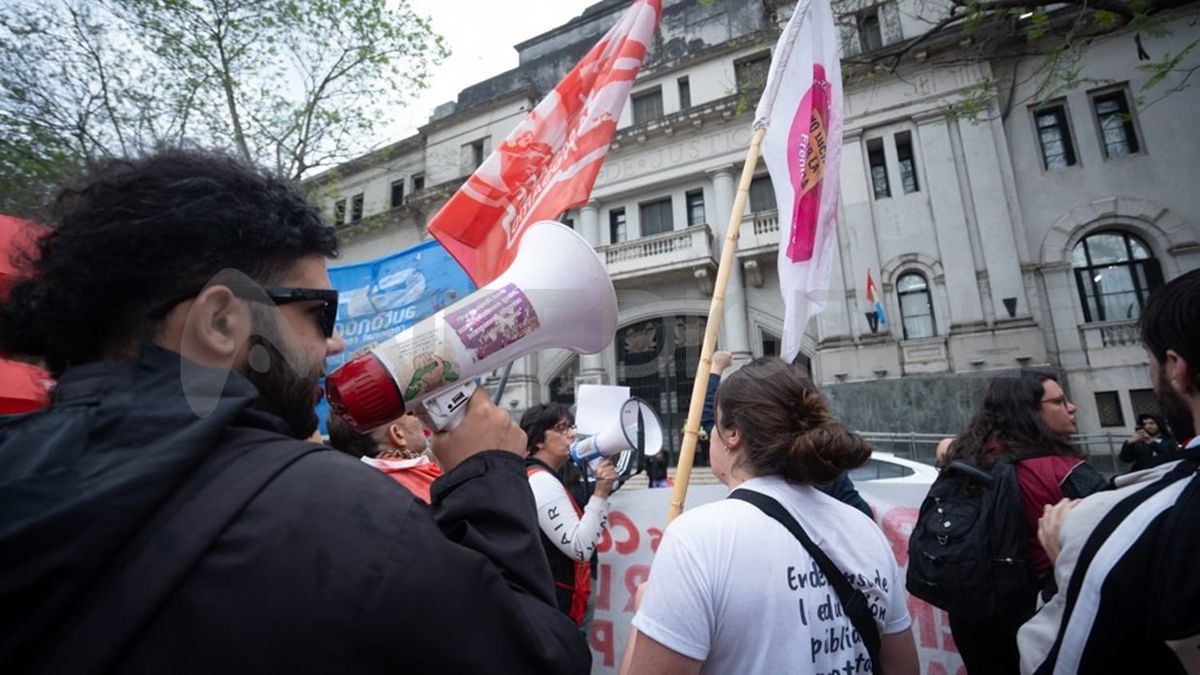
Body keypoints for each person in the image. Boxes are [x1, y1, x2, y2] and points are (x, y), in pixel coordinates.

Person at [0, 149, 589, 674]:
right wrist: (488, 476)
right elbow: (541, 657)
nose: (332, 345)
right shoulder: (342, 516)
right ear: (220, 323)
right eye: (318, 316)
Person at [622, 357, 919, 675]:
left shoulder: (697, 538)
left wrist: (645, 617)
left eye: (717, 424)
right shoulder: (864, 529)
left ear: (733, 433)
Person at [1020, 269, 1200, 674]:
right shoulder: (1106, 512)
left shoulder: (1112, 524)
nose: (1073, 409)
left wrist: (1072, 567)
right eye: (1060, 402)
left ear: (1177, 367)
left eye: (1148, 361)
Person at [936, 371, 1108, 675]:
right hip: (1043, 617)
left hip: (973, 618)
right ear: (1028, 413)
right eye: (1058, 402)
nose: (1072, 407)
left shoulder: (964, 462)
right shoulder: (1066, 473)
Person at [521, 403, 619, 628]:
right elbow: (580, 547)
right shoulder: (541, 480)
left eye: (571, 427)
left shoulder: (543, 477)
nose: (572, 434)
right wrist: (601, 492)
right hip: (557, 603)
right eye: (561, 428)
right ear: (538, 440)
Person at [328, 411, 443, 503]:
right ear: (398, 434)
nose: (418, 415)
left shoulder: (355, 493)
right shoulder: (429, 483)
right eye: (409, 411)